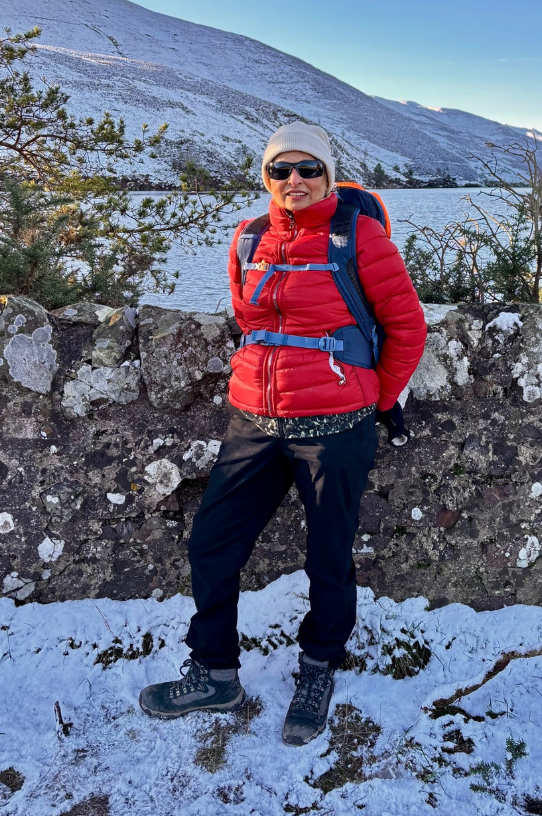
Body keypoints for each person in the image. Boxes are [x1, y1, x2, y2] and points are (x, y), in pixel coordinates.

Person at [136, 123, 427, 747]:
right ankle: (215, 672)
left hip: (335, 428)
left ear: (328, 174)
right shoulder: (248, 239)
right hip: (255, 423)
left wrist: (371, 397)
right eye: (280, 171)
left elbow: (407, 326)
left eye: (308, 169)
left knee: (327, 556)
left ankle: (317, 671)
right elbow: (250, 320)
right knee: (212, 544)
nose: (294, 181)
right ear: (266, 177)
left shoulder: (360, 238)